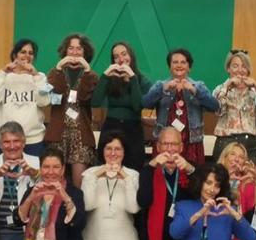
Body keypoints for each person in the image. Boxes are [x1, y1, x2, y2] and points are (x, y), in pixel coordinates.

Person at [144, 48, 218, 168]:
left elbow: (214, 106)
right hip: (165, 143)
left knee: (193, 179)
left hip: (192, 142)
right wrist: (163, 89)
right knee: (163, 178)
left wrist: (194, 91)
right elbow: (146, 103)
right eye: (175, 62)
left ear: (189, 67)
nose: (179, 65)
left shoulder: (198, 85)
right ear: (169, 66)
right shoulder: (160, 85)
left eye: (183, 62)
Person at [46, 33, 99, 187]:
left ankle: (77, 210)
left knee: (78, 184)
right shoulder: (55, 73)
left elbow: (83, 97)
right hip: (58, 134)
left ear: (85, 52)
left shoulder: (91, 76)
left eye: (79, 49)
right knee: (54, 181)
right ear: (65, 51)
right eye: (71, 48)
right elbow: (55, 93)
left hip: (80, 136)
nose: (74, 52)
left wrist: (87, 70)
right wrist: (59, 68)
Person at [0, 38, 51, 157]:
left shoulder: (41, 77)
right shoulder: (2, 75)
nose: (27, 55)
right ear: (15, 54)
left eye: (30, 53)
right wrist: (3, 72)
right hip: (3, 140)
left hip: (32, 140)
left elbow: (44, 102)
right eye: (23, 52)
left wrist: (35, 76)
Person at [95, 41, 149, 170]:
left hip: (133, 130)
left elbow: (138, 107)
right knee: (106, 169)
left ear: (131, 55)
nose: (121, 59)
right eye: (116, 56)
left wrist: (132, 78)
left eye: (124, 54)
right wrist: (105, 76)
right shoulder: (111, 78)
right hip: (111, 128)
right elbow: (95, 102)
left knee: (133, 171)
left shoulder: (142, 80)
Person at [213, 49, 256, 163]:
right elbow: (217, 110)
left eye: (244, 66)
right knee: (223, 179)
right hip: (226, 142)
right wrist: (227, 86)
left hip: (250, 143)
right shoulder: (220, 89)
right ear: (228, 69)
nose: (240, 70)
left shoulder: (254, 91)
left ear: (248, 70)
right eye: (235, 66)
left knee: (251, 179)